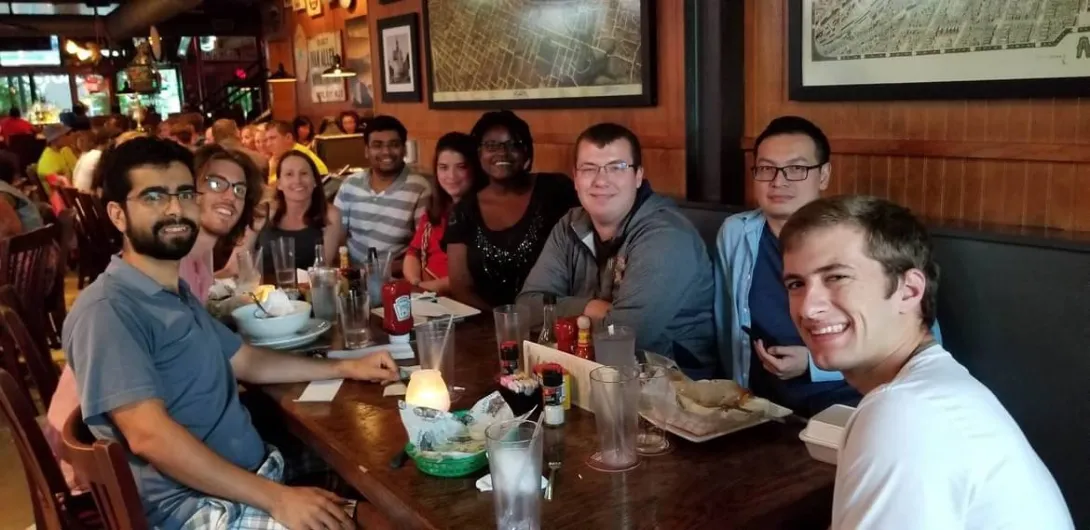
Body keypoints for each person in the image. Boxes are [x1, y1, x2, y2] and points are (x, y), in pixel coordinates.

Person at [62, 137, 400, 530]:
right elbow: (150, 437)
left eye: (184, 193)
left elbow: (247, 360)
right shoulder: (109, 309)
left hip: (248, 477)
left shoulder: (174, 294)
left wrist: (349, 367)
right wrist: (278, 499)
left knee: (382, 484)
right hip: (195, 509)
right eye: (154, 196)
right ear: (118, 215)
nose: (175, 208)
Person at [779, 195, 1073, 529]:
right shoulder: (929, 389)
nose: (807, 308)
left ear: (909, 291)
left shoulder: (906, 411)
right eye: (796, 284)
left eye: (837, 277)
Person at [715, 116, 937, 415]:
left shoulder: (859, 236)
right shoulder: (736, 233)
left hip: (855, 407)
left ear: (823, 175)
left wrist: (812, 364)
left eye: (796, 169)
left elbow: (923, 344)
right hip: (766, 411)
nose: (778, 181)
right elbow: (724, 323)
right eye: (766, 169)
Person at [517, 123, 716, 376]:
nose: (601, 180)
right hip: (591, 373)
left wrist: (564, 313)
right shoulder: (570, 224)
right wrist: (590, 307)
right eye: (589, 169)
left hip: (675, 392)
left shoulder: (667, 237)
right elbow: (526, 308)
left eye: (616, 167)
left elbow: (627, 337)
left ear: (638, 176)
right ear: (576, 179)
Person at [445, 110, 578, 309]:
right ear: (479, 153)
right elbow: (461, 287)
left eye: (513, 144)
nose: (502, 152)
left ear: (527, 152)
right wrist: (505, 324)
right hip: (489, 327)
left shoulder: (556, 189)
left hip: (556, 318)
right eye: (491, 145)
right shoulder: (464, 211)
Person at [334, 115, 430, 269]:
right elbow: (336, 238)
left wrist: (378, 270)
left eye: (394, 145)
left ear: (404, 149)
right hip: (351, 276)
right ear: (367, 151)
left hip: (395, 278)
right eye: (377, 145)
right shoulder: (350, 185)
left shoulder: (419, 188)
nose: (386, 152)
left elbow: (423, 250)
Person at [181, 144, 266, 303]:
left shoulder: (202, 264)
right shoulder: (172, 267)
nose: (230, 197)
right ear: (189, 189)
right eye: (216, 184)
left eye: (239, 190)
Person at [403, 132, 481, 295]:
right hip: (426, 295)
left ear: (475, 168)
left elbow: (475, 276)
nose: (451, 176)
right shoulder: (437, 207)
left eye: (461, 167)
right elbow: (413, 253)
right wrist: (415, 283)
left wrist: (425, 289)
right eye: (443, 167)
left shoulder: (484, 212)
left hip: (461, 300)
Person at [246, 150, 342, 275]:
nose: (297, 180)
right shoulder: (262, 212)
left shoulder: (330, 215)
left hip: (310, 291)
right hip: (265, 292)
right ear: (279, 184)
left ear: (315, 181)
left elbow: (323, 270)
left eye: (304, 173)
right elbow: (236, 264)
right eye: (289, 174)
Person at [73, 127, 121, 192]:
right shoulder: (99, 156)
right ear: (110, 141)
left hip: (81, 197)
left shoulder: (87, 155)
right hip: (90, 200)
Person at [36, 124, 78, 192]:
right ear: (55, 139)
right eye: (65, 135)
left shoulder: (60, 152)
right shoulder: (48, 159)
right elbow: (60, 187)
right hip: (61, 198)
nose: (68, 137)